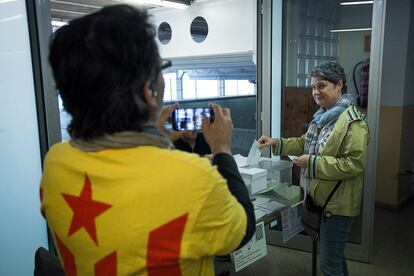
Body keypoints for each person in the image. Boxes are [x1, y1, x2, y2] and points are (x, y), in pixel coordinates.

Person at [40, 5, 255, 276]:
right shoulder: (192, 176)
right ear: (149, 91)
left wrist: (156, 141)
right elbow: (242, 229)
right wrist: (222, 149)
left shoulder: (56, 162)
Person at [258, 61, 369, 276]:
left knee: (329, 264)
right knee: (334, 257)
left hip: (337, 206)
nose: (315, 92)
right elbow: (305, 143)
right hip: (321, 200)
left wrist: (313, 163)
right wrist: (276, 143)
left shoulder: (353, 122)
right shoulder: (323, 116)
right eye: (313, 86)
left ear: (339, 85)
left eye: (322, 86)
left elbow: (353, 164)